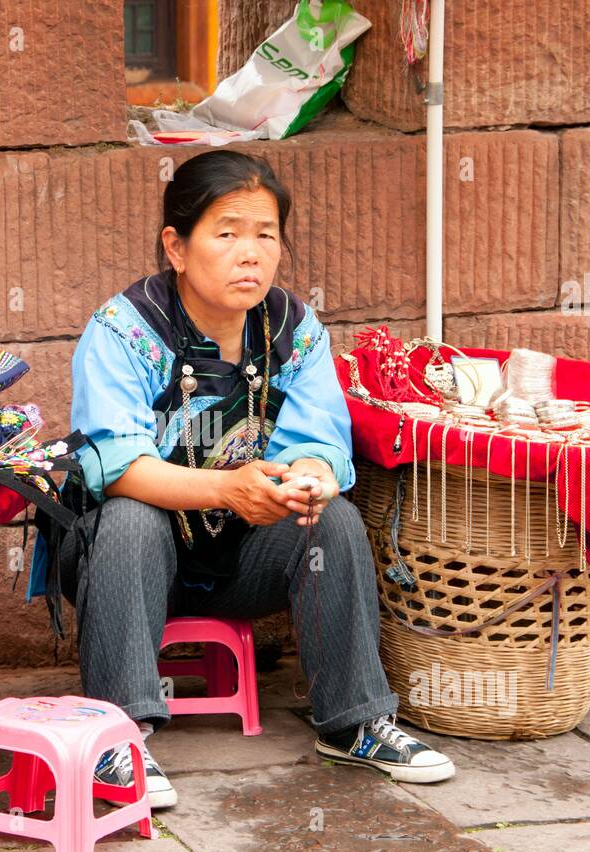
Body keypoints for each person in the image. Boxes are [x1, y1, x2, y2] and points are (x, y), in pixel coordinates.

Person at [48, 150, 455, 809]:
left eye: (266, 234)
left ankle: (356, 721)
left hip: (240, 559)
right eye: (227, 232)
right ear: (176, 247)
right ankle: (115, 738)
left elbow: (321, 438)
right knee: (128, 517)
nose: (251, 254)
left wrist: (311, 480)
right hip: (124, 562)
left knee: (334, 518)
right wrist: (226, 488)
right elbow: (115, 468)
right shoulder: (125, 330)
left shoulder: (294, 331)